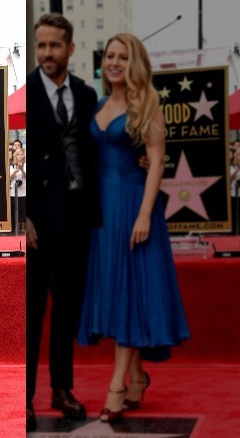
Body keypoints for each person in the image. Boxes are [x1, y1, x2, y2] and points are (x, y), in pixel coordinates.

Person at [77, 33, 190, 423]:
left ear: (135, 62)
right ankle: (139, 375)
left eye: (123, 57)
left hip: (133, 205)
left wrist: (144, 215)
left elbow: (157, 162)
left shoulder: (148, 103)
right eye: (110, 55)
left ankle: (117, 388)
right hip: (101, 211)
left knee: (128, 289)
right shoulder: (101, 103)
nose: (115, 62)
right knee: (118, 290)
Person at [25, 13, 100, 430]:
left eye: (55, 46)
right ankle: (27, 399)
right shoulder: (28, 92)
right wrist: (24, 219)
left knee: (67, 310)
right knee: (34, 313)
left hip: (77, 218)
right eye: (42, 46)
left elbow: (101, 147)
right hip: (39, 222)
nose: (48, 53)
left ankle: (62, 389)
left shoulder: (88, 95)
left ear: (70, 48)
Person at [10, 146, 26, 232]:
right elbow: (9, 178)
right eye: (18, 154)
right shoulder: (12, 166)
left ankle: (24, 226)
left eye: (21, 154)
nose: (20, 156)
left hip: (24, 191)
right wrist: (15, 171)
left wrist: (22, 170)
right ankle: (16, 226)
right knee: (16, 210)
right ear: (15, 156)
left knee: (24, 210)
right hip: (13, 192)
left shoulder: (26, 164)